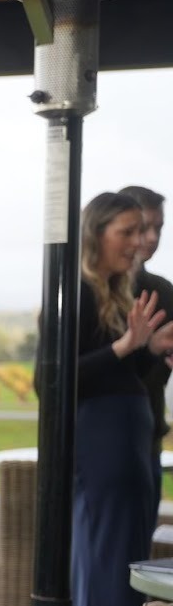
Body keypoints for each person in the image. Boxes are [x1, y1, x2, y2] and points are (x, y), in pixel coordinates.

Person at [71, 191, 173, 606]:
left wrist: (149, 351)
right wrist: (127, 346)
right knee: (105, 565)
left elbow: (124, 376)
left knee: (124, 562)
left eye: (147, 231)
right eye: (129, 231)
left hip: (132, 443)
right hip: (104, 448)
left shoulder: (120, 291)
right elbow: (54, 379)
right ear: (97, 234)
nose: (140, 242)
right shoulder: (77, 290)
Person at [122, 184, 171, 520]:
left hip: (149, 436)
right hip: (100, 443)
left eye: (159, 228)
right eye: (143, 228)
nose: (152, 238)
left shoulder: (164, 291)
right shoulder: (89, 294)